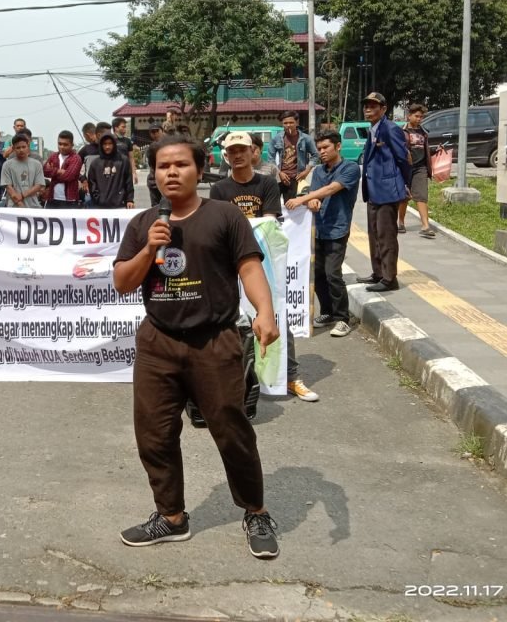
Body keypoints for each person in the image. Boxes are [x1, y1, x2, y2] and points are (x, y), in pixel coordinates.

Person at [113, 134, 281, 559]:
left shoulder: (225, 215)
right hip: (158, 342)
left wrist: (265, 311)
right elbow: (122, 282)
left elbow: (249, 268)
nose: (171, 172)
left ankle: (256, 511)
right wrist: (150, 248)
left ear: (200, 170)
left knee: (232, 432)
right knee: (154, 433)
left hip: (214, 340)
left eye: (181, 164)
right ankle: (171, 516)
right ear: (153, 174)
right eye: (163, 166)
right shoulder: (143, 224)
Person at [208, 131, 318, 413]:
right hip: (228, 265)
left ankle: (289, 376)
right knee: (230, 323)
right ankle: (232, 382)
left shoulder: (267, 183)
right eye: (232, 151)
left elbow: (269, 224)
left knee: (275, 314)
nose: (237, 155)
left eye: (242, 150)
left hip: (263, 263)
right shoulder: (219, 189)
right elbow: (218, 228)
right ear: (226, 156)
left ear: (253, 152)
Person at [286, 130, 360, 338]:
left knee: (332, 274)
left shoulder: (351, 168)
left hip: (337, 228)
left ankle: (342, 318)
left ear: (338, 146)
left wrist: (301, 199)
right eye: (319, 149)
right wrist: (311, 201)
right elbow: (316, 193)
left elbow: (330, 189)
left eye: (326, 147)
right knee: (317, 273)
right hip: (317, 228)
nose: (322, 152)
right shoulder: (318, 171)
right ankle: (327, 312)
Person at [357, 92, 411, 293]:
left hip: (388, 190)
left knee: (386, 235)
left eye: (373, 106)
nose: (368, 109)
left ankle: (389, 278)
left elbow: (403, 158)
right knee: (374, 234)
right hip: (373, 191)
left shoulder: (390, 129)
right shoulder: (373, 129)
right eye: (366, 106)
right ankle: (378, 272)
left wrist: (406, 184)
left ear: (383, 109)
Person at [398, 104, 435, 238]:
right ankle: (401, 222)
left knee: (421, 195)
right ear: (409, 116)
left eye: (421, 117)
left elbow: (425, 149)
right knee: (404, 196)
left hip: (421, 167)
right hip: (405, 168)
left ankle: (425, 226)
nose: (419, 119)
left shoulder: (423, 132)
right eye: (417, 116)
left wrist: (435, 150)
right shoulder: (401, 131)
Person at [270, 111, 319, 202]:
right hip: (278, 178)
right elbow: (270, 158)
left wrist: (306, 171)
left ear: (297, 123)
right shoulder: (276, 139)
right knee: (274, 204)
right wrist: (279, 173)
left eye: (291, 122)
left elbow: (315, 155)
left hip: (295, 178)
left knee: (291, 205)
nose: (288, 125)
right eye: (285, 123)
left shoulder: (306, 139)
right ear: (282, 124)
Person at [88, 132, 134, 209]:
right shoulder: (95, 163)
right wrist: (98, 199)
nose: (107, 147)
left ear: (114, 144)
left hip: (120, 205)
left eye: (110, 143)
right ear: (101, 145)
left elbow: (128, 181)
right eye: (105, 144)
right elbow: (92, 183)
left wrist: (130, 199)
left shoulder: (123, 160)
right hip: (100, 206)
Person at [0, 133, 45, 208]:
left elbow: (39, 185)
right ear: (13, 148)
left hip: (34, 206)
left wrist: (22, 195)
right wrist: (21, 206)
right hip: (14, 207)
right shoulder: (7, 165)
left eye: (24, 147)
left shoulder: (37, 164)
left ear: (28, 146)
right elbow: (8, 187)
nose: (21, 150)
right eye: (18, 148)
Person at [43, 131, 83, 208]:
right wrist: (59, 171)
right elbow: (45, 171)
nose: (62, 147)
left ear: (72, 145)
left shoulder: (76, 158)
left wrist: (53, 173)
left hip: (70, 201)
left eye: (65, 144)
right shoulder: (53, 156)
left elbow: (68, 176)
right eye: (60, 144)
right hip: (52, 198)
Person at [112, 117, 139, 185]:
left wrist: (134, 173)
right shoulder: (110, 140)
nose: (125, 129)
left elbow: (131, 158)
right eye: (123, 127)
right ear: (116, 128)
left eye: (125, 127)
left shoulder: (127, 141)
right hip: (113, 173)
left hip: (126, 172)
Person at [145, 123, 163, 206]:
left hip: (165, 181)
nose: (155, 134)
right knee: (155, 207)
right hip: (153, 181)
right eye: (152, 132)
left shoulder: (169, 145)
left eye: (157, 131)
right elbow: (151, 164)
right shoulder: (151, 148)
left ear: (162, 131)